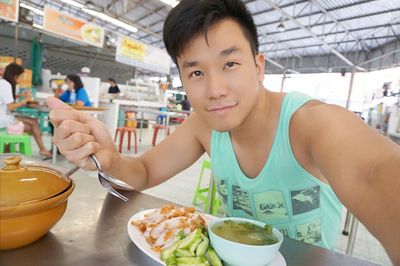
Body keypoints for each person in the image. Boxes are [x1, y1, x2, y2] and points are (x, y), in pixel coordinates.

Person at [46, 0, 399, 263]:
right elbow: (145, 171)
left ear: (258, 66)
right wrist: (108, 158)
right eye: (196, 73)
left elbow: (375, 174)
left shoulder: (312, 123)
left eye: (230, 63)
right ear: (183, 80)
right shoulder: (204, 126)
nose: (215, 89)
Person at [0, 63, 52, 157]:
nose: (22, 79)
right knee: (33, 125)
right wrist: (25, 100)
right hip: (3, 120)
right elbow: (10, 107)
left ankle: (7, 147)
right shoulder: (6, 85)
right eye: (21, 76)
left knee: (33, 122)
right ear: (15, 76)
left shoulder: (3, 83)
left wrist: (21, 95)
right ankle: (42, 149)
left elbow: (5, 99)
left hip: (5, 117)